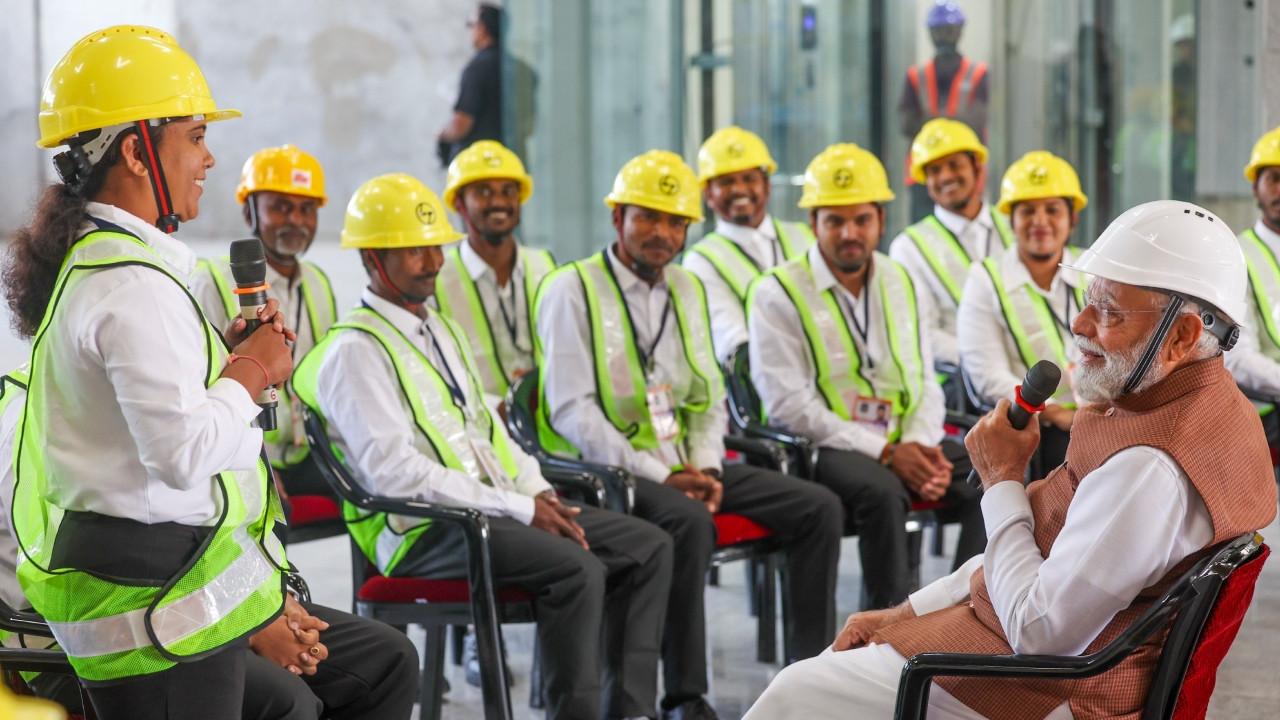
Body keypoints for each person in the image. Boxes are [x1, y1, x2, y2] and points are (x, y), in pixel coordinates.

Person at [2, 26, 416, 720]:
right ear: (137, 151)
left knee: (373, 670)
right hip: (150, 606)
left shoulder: (117, 269)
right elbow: (182, 457)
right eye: (195, 136)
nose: (209, 157)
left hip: (162, 584)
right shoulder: (130, 285)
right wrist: (250, 373)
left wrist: (226, 370)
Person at [744, 199, 1278, 719]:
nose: (1081, 324)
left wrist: (1001, 479)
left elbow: (1040, 631)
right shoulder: (1198, 404)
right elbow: (1043, 540)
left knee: (796, 691)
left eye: (1110, 311)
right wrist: (906, 612)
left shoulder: (1150, 469)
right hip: (1039, 645)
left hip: (1053, 685)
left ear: (1183, 336)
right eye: (1087, 300)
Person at [292, 173, 673, 720]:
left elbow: (489, 433)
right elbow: (396, 476)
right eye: (416, 251)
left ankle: (629, 710)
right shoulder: (354, 352)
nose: (434, 262)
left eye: (436, 248)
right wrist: (520, 508)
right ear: (374, 258)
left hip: (488, 508)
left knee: (648, 544)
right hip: (423, 530)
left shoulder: (438, 330)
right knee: (577, 569)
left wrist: (538, 491)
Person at [536, 150, 843, 720]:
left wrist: (705, 466)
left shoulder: (687, 287)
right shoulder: (571, 289)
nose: (662, 233)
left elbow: (707, 394)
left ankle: (813, 676)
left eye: (674, 221)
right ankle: (683, 696)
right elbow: (571, 412)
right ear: (617, 219)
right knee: (688, 519)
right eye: (647, 218)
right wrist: (664, 475)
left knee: (818, 508)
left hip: (686, 461)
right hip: (604, 470)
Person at [746, 143, 983, 611]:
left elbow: (922, 382)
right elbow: (789, 406)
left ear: (879, 219)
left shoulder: (900, 280)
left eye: (861, 219)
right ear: (813, 225)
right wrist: (888, 452)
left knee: (985, 473)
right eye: (835, 221)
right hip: (827, 444)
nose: (849, 233)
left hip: (900, 436)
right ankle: (885, 636)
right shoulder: (778, 292)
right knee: (883, 492)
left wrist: (918, 444)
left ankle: (968, 616)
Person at [192, 144, 337, 501]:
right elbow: (200, 389)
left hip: (310, 449)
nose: (296, 220)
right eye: (281, 207)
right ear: (249, 211)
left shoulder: (318, 282)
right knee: (270, 515)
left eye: (306, 209)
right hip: (243, 450)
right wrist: (260, 462)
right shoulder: (210, 280)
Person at [957, 151, 1088, 470]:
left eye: (1053, 210)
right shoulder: (985, 278)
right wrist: (1056, 411)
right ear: (1011, 221)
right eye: (1027, 211)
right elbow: (987, 377)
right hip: (1036, 423)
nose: (1040, 221)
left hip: (1096, 416)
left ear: (1072, 219)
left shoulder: (1093, 269)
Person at [683, 126, 816, 363]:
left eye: (749, 179)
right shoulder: (701, 260)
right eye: (726, 182)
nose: (739, 189)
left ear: (766, 185)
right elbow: (731, 338)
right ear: (708, 195)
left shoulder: (804, 236)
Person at [435, 140, 555, 400]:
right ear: (459, 203)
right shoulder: (437, 279)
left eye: (508, 191)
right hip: (479, 432)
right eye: (483, 192)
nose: (499, 201)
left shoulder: (546, 266)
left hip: (548, 424)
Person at [890, 117, 1013, 367]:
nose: (946, 176)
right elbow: (922, 330)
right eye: (934, 170)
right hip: (960, 386)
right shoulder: (908, 248)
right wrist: (986, 360)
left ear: (977, 168)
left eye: (954, 165)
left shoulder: (1013, 225)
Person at [898, 1, 991, 221]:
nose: (944, 36)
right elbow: (905, 123)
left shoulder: (977, 74)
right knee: (923, 236)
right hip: (923, 171)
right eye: (939, 30)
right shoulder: (916, 75)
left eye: (950, 29)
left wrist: (930, 122)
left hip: (966, 170)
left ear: (960, 31)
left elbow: (977, 121)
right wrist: (955, 122)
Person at [1226, 126, 1280, 437]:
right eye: (1273, 178)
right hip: (1266, 411)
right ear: (1255, 188)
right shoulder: (1236, 255)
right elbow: (1239, 358)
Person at [437, 4, 537, 164]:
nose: (471, 31)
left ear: (482, 29)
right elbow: (529, 126)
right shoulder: (524, 71)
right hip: (513, 164)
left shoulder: (477, 68)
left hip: (479, 168)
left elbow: (461, 124)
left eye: (472, 25)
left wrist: (443, 134)